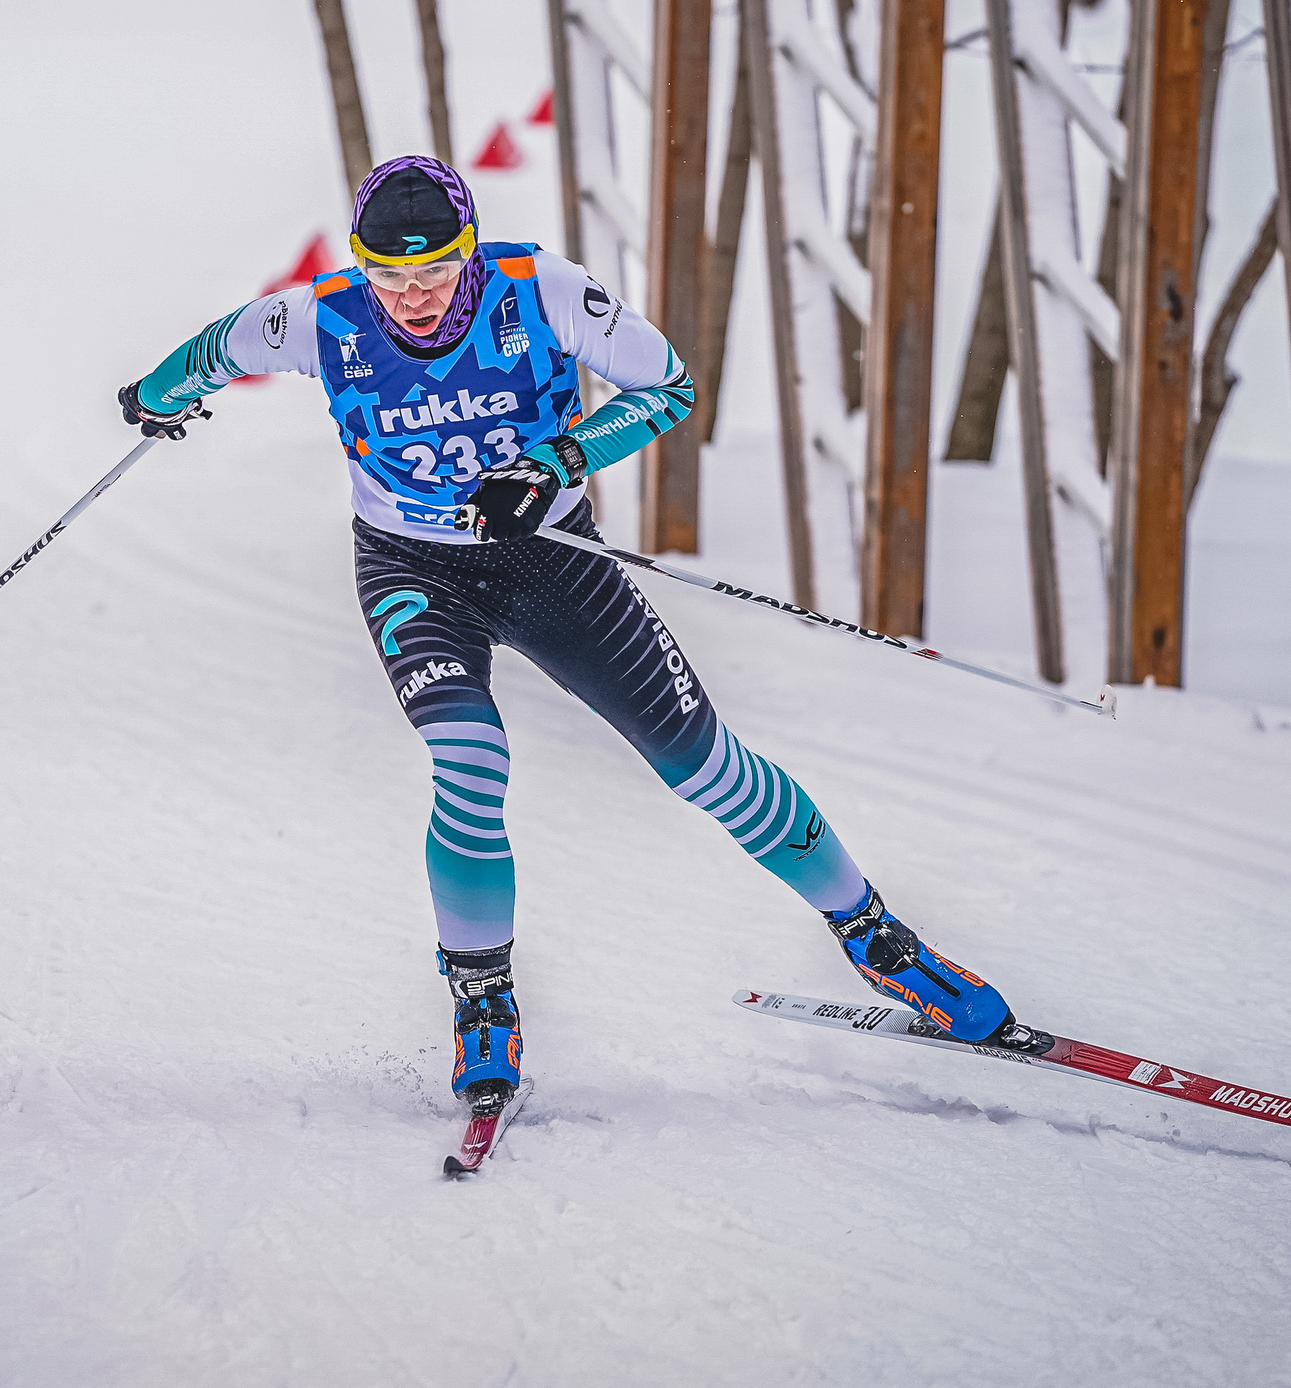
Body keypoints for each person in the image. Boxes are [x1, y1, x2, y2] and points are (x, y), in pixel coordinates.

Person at [119, 156, 1040, 1113]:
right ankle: (483, 997)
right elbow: (214, 351)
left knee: (704, 766)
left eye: (434, 273)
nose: (415, 299)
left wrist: (561, 455)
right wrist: (157, 393)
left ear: (469, 250)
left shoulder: (543, 290)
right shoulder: (321, 316)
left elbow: (669, 388)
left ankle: (875, 935)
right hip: (412, 569)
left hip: (551, 556)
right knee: (468, 755)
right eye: (391, 278)